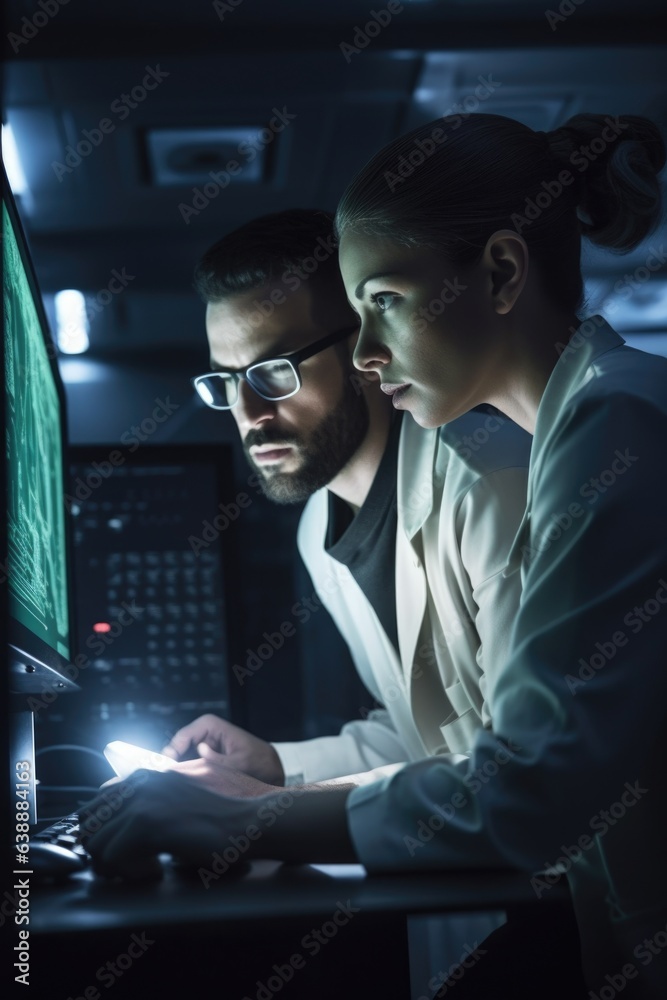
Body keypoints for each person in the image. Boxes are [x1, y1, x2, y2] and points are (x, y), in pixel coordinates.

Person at [81, 113, 667, 996]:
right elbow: (439, 734)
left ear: (501, 272)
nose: (365, 353)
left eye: (382, 304)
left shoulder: (595, 426)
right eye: (358, 313)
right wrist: (271, 773)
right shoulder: (555, 432)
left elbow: (531, 787)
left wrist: (246, 820)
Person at [163, 207, 531, 790]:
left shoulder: (489, 485)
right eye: (228, 381)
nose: (250, 415)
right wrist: (273, 767)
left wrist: (257, 815)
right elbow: (426, 736)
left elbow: (524, 771)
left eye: (273, 371)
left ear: (363, 352)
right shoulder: (318, 527)